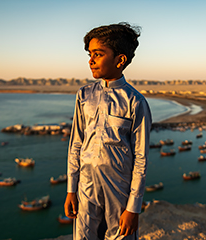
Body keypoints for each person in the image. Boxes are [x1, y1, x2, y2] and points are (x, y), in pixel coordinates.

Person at [64, 22, 152, 240]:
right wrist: (71, 189)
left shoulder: (135, 102)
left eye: (98, 54)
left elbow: (141, 158)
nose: (90, 60)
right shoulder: (84, 96)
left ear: (120, 60)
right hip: (86, 187)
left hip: (118, 190)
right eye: (89, 54)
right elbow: (76, 144)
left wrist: (133, 208)